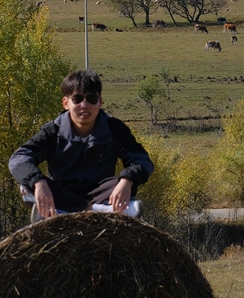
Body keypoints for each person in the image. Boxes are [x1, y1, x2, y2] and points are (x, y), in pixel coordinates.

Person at [9, 69, 154, 219]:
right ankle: (97, 209)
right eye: (77, 99)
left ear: (100, 102)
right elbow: (19, 158)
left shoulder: (114, 129)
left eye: (91, 99)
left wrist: (127, 180)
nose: (84, 105)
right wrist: (38, 182)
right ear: (66, 103)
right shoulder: (53, 131)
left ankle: (66, 211)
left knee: (126, 182)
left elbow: (142, 160)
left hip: (100, 192)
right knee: (28, 183)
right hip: (62, 193)